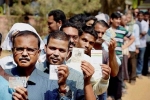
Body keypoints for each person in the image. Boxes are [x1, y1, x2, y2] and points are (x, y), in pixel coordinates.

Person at [5, 30, 69, 100]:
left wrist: (62, 88)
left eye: (30, 50)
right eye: (20, 49)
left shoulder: (50, 83)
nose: (24, 54)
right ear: (13, 51)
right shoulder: (2, 77)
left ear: (38, 53)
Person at [37, 30, 96, 100]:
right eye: (52, 48)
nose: (56, 53)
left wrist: (87, 81)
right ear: (45, 48)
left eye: (61, 50)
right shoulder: (33, 71)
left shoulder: (77, 77)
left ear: (68, 53)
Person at [61, 22, 112, 96]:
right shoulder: (57, 54)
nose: (87, 45)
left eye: (91, 43)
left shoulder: (94, 56)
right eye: (84, 40)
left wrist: (105, 79)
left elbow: (96, 89)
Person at [107, 12, 135, 100]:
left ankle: (118, 96)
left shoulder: (122, 29)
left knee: (118, 78)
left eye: (119, 19)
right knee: (109, 76)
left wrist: (125, 46)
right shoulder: (107, 30)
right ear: (111, 20)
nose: (119, 21)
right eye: (116, 19)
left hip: (119, 57)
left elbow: (132, 38)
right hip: (109, 57)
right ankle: (110, 94)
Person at [126, 12, 140, 83]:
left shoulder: (135, 26)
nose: (127, 19)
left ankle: (133, 78)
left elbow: (137, 37)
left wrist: (137, 47)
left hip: (132, 47)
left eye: (129, 17)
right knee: (127, 64)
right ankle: (127, 77)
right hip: (125, 48)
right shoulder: (125, 25)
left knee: (133, 64)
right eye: (126, 17)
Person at [136, 11, 149, 78]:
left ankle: (139, 72)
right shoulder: (135, 22)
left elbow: (144, 32)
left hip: (143, 44)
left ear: (143, 16)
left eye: (142, 16)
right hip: (135, 44)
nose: (140, 17)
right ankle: (134, 72)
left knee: (141, 59)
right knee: (135, 59)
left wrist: (137, 37)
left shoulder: (145, 23)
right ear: (137, 16)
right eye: (139, 15)